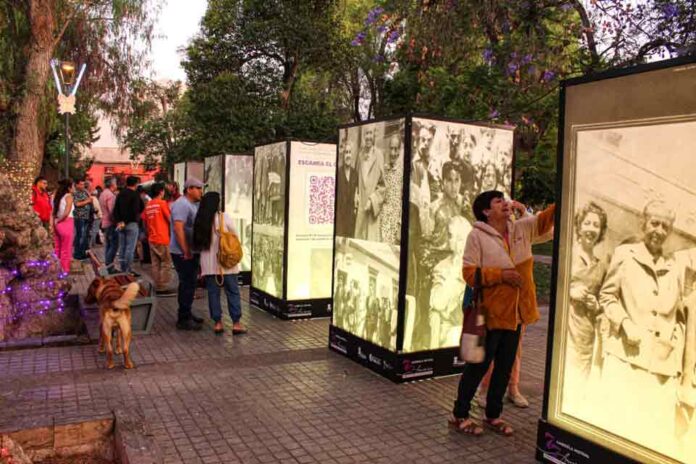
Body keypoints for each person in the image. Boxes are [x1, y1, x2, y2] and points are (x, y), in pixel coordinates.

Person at [449, 190, 554, 436]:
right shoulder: (477, 236)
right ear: (486, 211)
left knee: (504, 368)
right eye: (498, 201)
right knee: (477, 367)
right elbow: (469, 274)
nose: (505, 204)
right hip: (488, 315)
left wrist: (562, 198)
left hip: (516, 314)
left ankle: (493, 416)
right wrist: (501, 275)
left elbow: (545, 221)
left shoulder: (520, 228)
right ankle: (459, 414)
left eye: (504, 200)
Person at [597, 200, 691, 453]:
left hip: (661, 366)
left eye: (665, 227)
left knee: (652, 436)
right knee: (616, 429)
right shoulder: (625, 255)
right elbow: (606, 297)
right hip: (625, 358)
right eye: (654, 223)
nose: (659, 231)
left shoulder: (676, 266)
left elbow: (682, 315)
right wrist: (625, 323)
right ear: (643, 223)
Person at [193, 192, 248, 335]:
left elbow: (197, 245)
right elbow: (235, 235)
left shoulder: (200, 220)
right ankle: (236, 323)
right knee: (233, 292)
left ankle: (217, 323)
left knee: (213, 293)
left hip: (209, 265)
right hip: (226, 264)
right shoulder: (224, 218)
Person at [566, 202, 608, 383]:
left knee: (580, 380)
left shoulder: (601, 265)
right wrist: (569, 291)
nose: (591, 229)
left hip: (586, 332)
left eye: (596, 225)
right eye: (587, 223)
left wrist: (596, 305)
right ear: (579, 226)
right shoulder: (568, 254)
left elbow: (604, 300)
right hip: (567, 328)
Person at [170, 177, 205, 330]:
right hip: (182, 253)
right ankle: (183, 318)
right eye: (198, 188)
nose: (200, 191)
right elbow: (178, 228)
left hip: (190, 251)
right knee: (186, 284)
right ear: (189, 189)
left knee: (190, 284)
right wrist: (186, 251)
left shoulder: (192, 204)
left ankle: (187, 313)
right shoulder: (182, 204)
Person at [141, 183, 176, 296]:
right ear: (161, 192)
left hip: (152, 238)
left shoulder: (148, 205)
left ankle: (157, 285)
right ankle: (163, 287)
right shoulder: (162, 203)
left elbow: (144, 221)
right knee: (166, 262)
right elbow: (170, 219)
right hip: (162, 237)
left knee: (155, 263)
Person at [354, 125, 385, 240]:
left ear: (374, 136)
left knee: (370, 246)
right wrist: (356, 193)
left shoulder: (379, 155)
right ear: (363, 136)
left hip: (372, 211)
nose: (368, 137)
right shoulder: (360, 155)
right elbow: (355, 179)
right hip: (361, 209)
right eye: (366, 134)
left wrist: (372, 201)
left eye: (370, 133)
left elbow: (383, 187)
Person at [113, 176, 144, 274]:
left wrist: (119, 221)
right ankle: (128, 269)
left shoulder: (120, 194)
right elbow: (137, 209)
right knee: (130, 248)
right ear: (135, 184)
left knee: (122, 247)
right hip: (131, 223)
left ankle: (122, 268)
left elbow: (115, 209)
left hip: (120, 224)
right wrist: (126, 221)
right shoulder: (135, 194)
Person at [380, 133, 403, 245]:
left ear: (399, 150)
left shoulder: (402, 172)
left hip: (394, 223)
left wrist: (400, 224)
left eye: (396, 149)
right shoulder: (384, 169)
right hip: (382, 220)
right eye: (391, 148)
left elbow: (404, 201)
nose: (393, 153)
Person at [336, 136, 358, 237]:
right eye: (346, 152)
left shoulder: (355, 174)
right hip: (339, 217)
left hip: (350, 218)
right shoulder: (338, 172)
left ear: (352, 155)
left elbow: (357, 193)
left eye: (349, 152)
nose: (348, 155)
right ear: (343, 155)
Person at [53, 179, 75, 273]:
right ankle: (64, 270)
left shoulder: (57, 196)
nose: (74, 188)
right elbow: (67, 211)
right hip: (66, 222)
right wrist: (60, 219)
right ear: (69, 188)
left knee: (57, 247)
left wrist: (56, 221)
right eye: (73, 186)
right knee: (66, 249)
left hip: (57, 223)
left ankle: (55, 269)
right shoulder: (69, 196)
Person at [99, 178, 119, 272]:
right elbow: (112, 211)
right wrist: (116, 222)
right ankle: (110, 266)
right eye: (115, 183)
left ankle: (108, 265)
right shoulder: (110, 195)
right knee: (114, 245)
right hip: (110, 223)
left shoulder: (103, 193)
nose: (116, 185)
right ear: (112, 185)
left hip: (104, 222)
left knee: (108, 245)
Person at [71, 179, 93, 261]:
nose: (82, 186)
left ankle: (83, 252)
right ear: (76, 185)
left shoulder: (84, 192)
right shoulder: (75, 193)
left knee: (84, 236)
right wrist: (87, 201)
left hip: (86, 216)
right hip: (79, 217)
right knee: (80, 235)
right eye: (80, 184)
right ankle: (77, 253)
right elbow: (77, 204)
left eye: (83, 184)